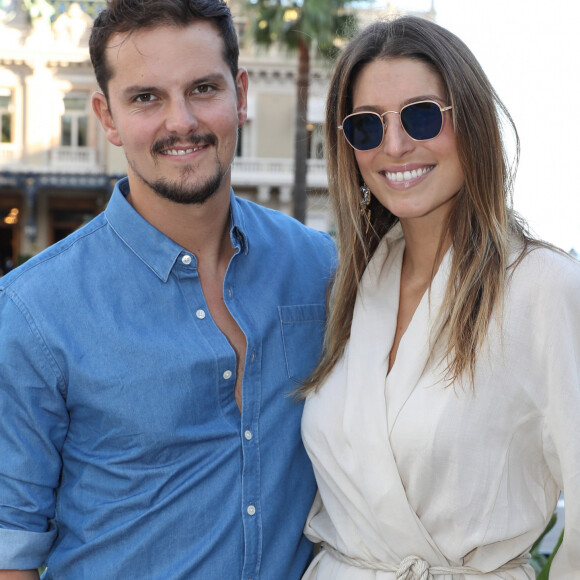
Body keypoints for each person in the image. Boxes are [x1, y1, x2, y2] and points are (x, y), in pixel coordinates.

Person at [0, 0, 335, 578]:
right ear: (106, 115)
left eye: (203, 88)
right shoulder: (33, 311)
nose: (181, 121)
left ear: (241, 94)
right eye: (146, 97)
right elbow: (13, 546)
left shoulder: (318, 267)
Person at [299, 15, 580, 579]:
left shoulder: (542, 286)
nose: (396, 146)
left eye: (422, 115)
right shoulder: (351, 290)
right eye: (367, 127)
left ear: (472, 123)